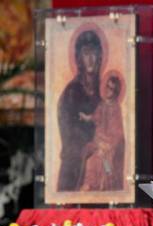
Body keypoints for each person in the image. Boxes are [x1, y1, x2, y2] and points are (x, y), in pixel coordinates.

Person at [57, 30, 103, 191]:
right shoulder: (72, 91)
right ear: (79, 58)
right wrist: (86, 144)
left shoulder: (104, 88)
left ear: (100, 56)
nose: (90, 59)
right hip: (75, 162)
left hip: (100, 152)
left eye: (94, 53)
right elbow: (68, 130)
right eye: (86, 53)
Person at [76, 74, 125, 191]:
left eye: (112, 89)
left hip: (110, 146)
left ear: (116, 92)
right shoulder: (102, 104)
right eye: (107, 87)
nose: (108, 90)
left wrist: (106, 145)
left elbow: (117, 133)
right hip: (98, 141)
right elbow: (95, 117)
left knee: (99, 161)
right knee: (86, 153)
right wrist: (86, 117)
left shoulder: (116, 108)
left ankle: (100, 185)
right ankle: (87, 184)